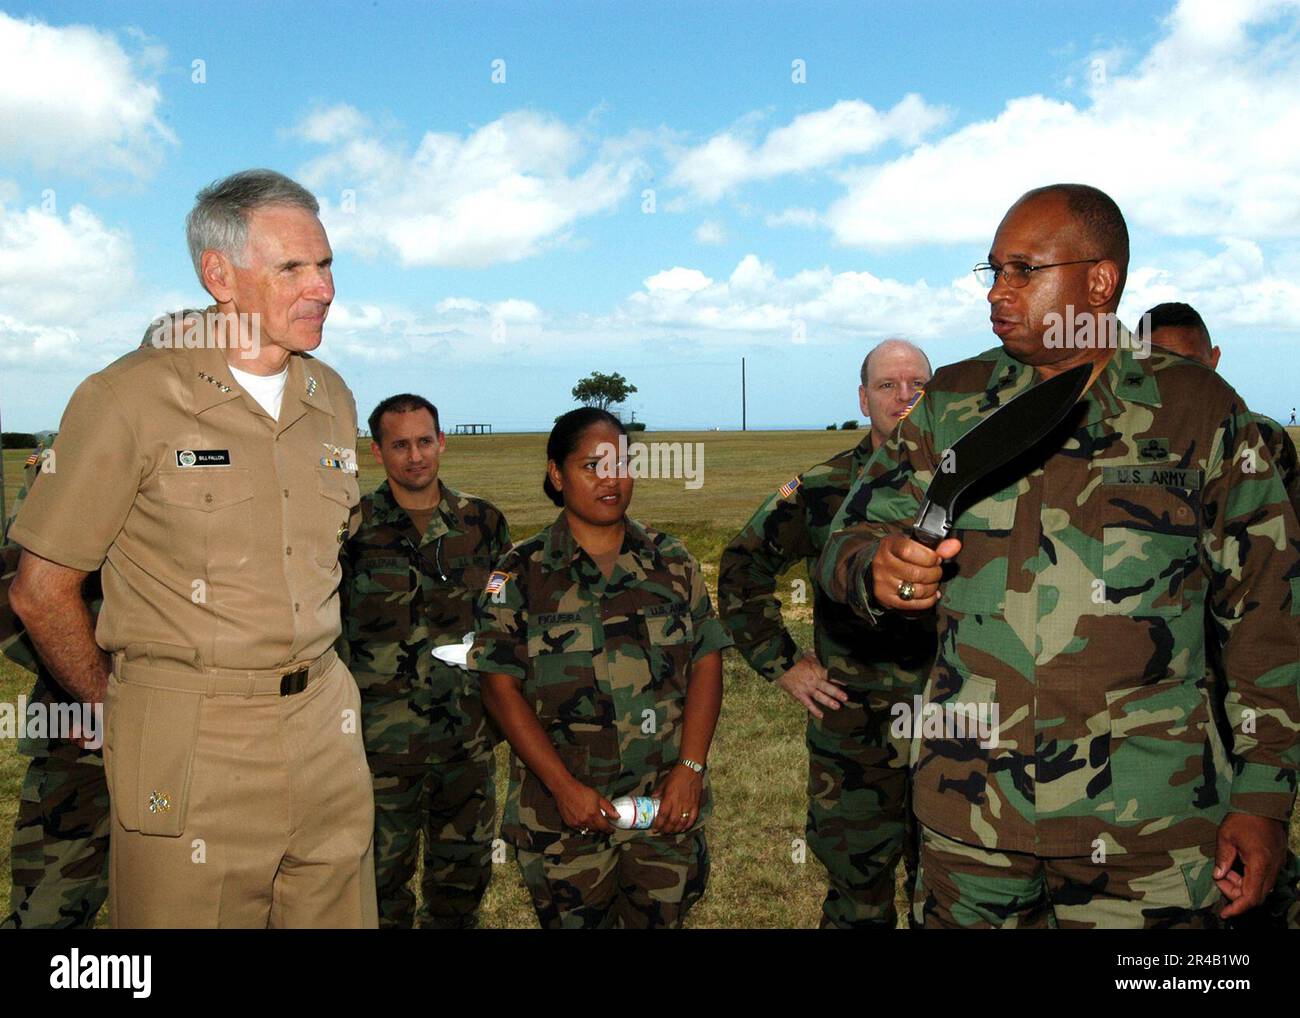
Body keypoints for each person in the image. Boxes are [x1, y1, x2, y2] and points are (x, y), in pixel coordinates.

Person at [818, 183, 1300, 928]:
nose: (997, 294)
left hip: (1152, 828)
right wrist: (872, 568)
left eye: (1022, 271)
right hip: (971, 823)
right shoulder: (954, 402)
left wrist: (1265, 798)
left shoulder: (1199, 411)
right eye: (993, 272)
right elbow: (849, 537)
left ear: (1099, 281)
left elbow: (1268, 615)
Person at [7, 169, 377, 928]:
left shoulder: (330, 397)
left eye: (327, 264)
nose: (324, 289)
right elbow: (40, 589)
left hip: (326, 728)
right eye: (293, 268)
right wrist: (117, 708)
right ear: (220, 274)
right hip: (190, 737)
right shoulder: (128, 398)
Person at [468, 408, 731, 928]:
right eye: (593, 465)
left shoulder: (671, 560)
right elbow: (499, 689)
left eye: (622, 463)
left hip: (663, 809)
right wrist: (563, 788)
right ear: (557, 474)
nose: (612, 479)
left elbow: (706, 658)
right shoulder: (520, 574)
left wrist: (690, 769)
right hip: (563, 819)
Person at [717, 339, 936, 928]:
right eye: (888, 385)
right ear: (863, 399)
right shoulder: (823, 488)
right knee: (856, 898)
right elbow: (741, 566)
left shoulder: (972, 487)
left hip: (953, 728)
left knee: (950, 899)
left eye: (918, 383)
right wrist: (782, 662)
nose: (906, 396)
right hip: (855, 731)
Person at [1145, 302, 1300, 930]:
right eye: (1160, 365)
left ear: (1214, 361)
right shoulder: (1126, 445)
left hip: (1244, 657)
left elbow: (1280, 564)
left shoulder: (1259, 437)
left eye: (1189, 364)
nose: (1178, 379)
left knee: (1254, 801)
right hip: (1173, 675)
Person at [339, 393, 510, 929]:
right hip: (377, 747)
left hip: (466, 740)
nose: (415, 456)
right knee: (376, 886)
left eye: (424, 441)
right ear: (376, 451)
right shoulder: (351, 527)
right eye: (400, 445)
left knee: (461, 882)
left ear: (442, 442)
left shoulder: (483, 523)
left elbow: (505, 624)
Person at [1, 437, 109, 929]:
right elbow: (22, 598)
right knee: (50, 904)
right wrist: (84, 683)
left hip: (186, 736)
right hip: (76, 740)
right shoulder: (69, 477)